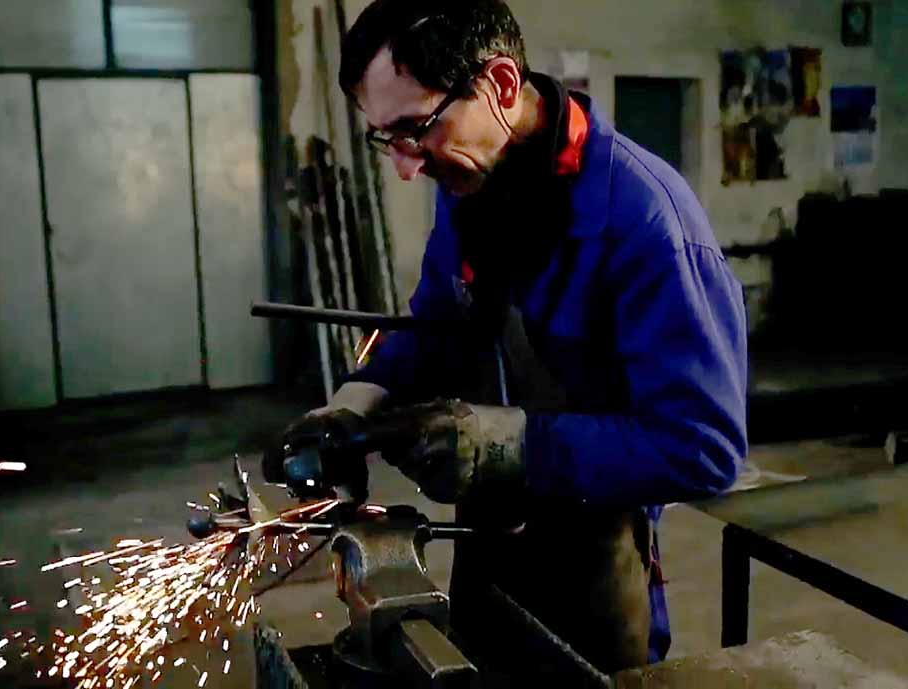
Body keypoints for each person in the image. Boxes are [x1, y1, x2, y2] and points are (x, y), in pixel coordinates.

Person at [268, 0, 748, 677]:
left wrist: (510, 443)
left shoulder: (645, 225)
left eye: (416, 128)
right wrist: (353, 403)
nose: (406, 168)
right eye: (387, 139)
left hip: (592, 574)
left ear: (496, 84)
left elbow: (705, 449)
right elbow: (434, 319)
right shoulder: (468, 181)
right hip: (486, 545)